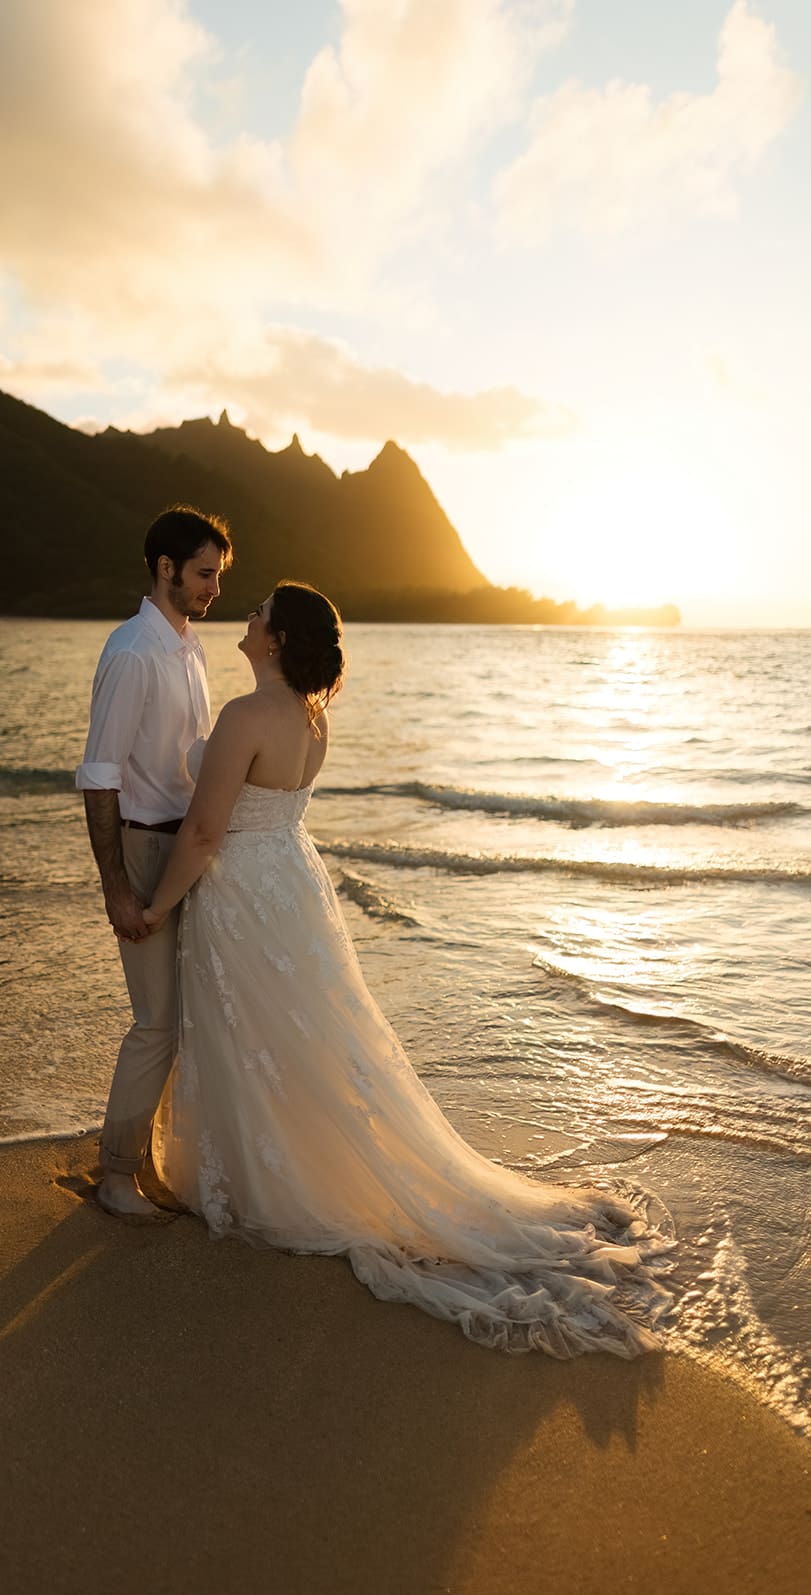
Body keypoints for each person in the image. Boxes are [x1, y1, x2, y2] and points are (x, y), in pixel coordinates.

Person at [138, 581, 675, 1358]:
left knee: (254, 1033)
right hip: (290, 881)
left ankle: (269, 1181)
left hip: (244, 893)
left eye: (259, 612)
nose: (247, 617)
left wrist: (154, 906)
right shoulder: (310, 719)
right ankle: (292, 1162)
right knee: (307, 1039)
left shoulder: (246, 715)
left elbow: (202, 833)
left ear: (279, 638)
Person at [76, 505, 233, 1219]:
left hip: (185, 847)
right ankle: (114, 1175)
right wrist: (114, 884)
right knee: (155, 1021)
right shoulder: (133, 651)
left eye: (219, 576)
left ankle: (149, 1160)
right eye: (204, 574)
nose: (214, 589)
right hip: (142, 845)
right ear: (165, 568)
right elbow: (99, 774)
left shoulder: (188, 646)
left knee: (186, 1016)